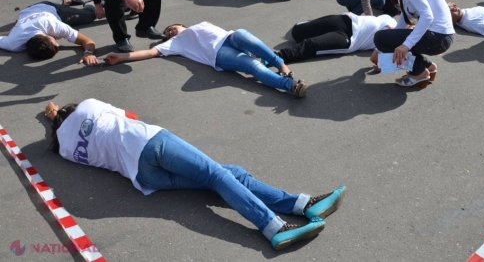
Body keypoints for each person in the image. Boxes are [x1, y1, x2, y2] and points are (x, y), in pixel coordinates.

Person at [44, 98, 346, 250]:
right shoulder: (87, 106)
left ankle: (302, 204)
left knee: (230, 174)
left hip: (142, 177)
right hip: (149, 143)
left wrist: (55, 119)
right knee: (217, 176)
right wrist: (54, 112)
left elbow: (63, 130)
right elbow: (131, 117)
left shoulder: (64, 149)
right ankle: (274, 227)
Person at [104, 22, 310, 97]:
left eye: (172, 28)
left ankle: (281, 65)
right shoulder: (175, 43)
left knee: (244, 35)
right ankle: (290, 85)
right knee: (252, 66)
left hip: (230, 38)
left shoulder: (201, 24)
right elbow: (149, 53)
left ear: (182, 25)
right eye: (167, 33)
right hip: (219, 54)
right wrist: (121, 57)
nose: (170, 32)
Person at [372, 0, 455, 88]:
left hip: (438, 37)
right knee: (384, 38)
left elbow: (427, 16)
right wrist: (392, 37)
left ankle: (419, 72)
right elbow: (404, 17)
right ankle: (427, 66)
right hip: (440, 37)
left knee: (379, 38)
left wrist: (405, 45)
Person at [0, 0, 98, 64]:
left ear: (46, 35)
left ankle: (91, 3)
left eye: (55, 43)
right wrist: (14, 31)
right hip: (30, 9)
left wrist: (89, 53)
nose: (58, 44)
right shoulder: (13, 43)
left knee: (90, 15)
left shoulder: (52, 25)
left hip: (54, 10)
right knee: (45, 4)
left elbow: (87, 41)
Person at [276, 13, 397, 63]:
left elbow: (375, 58)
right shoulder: (393, 21)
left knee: (310, 44)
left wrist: (380, 65)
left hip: (348, 39)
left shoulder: (396, 42)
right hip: (345, 20)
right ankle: (312, 27)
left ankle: (274, 57)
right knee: (297, 32)